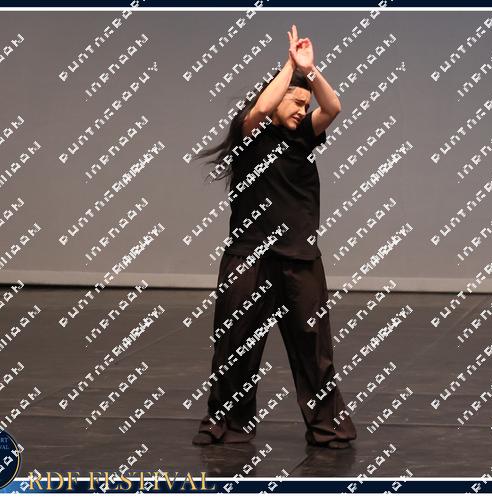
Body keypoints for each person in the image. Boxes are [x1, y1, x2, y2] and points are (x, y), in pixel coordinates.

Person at [190, 25, 357, 449]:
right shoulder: (248, 135)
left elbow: (334, 106)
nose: (302, 110)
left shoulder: (303, 138)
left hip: (300, 258)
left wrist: (310, 71)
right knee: (235, 345)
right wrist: (289, 65)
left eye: (305, 105)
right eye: (296, 102)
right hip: (250, 257)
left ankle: (327, 426)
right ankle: (227, 423)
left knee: (313, 348)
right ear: (278, 96)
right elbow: (262, 107)